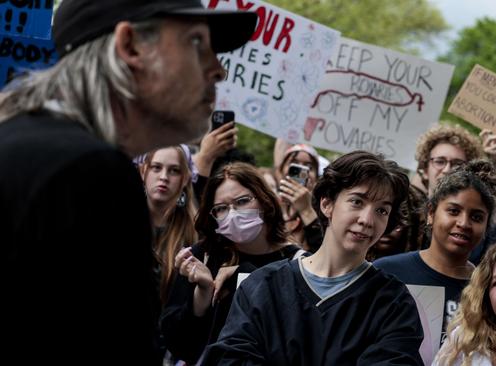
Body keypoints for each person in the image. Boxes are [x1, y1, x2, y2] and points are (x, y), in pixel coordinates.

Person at [0, 0, 257, 362]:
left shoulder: (27, 146)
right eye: (198, 43)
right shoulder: (89, 172)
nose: (218, 70)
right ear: (131, 46)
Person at [203, 151, 424, 365]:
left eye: (382, 211)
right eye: (357, 202)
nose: (367, 219)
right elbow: (231, 357)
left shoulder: (393, 302)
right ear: (327, 204)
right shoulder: (263, 287)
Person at [161, 162, 302, 364]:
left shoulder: (295, 260)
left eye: (242, 201)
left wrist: (245, 274)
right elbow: (179, 344)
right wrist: (202, 294)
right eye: (221, 208)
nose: (233, 213)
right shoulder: (201, 256)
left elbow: (291, 332)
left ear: (264, 200)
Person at [375, 159, 496, 350]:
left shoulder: (489, 290)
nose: (464, 223)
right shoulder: (385, 273)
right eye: (454, 211)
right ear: (431, 213)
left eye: (476, 217)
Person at [414, 124, 496, 265]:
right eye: (440, 161)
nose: (447, 169)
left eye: (457, 164)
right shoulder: (406, 216)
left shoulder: (488, 231)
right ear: (425, 169)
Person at [139, 145, 199, 304]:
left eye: (174, 170)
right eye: (156, 168)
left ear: (185, 178)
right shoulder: (119, 220)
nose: (164, 177)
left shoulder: (195, 232)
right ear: (143, 171)